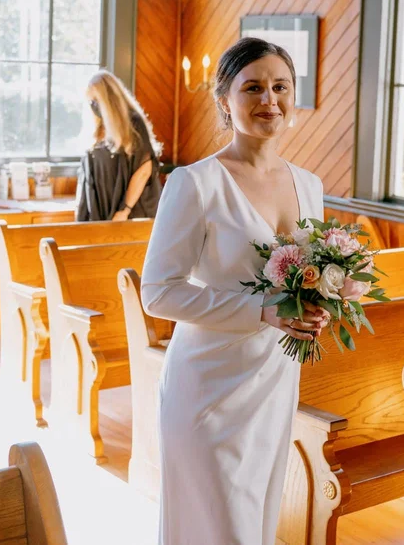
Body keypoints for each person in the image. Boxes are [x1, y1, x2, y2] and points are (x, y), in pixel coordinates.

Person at [141, 38, 331, 544]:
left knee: (257, 521)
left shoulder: (309, 184)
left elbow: (303, 277)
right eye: (253, 87)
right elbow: (158, 293)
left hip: (273, 379)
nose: (269, 99)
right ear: (225, 100)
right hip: (208, 386)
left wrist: (320, 305)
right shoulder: (195, 183)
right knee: (220, 527)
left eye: (280, 87)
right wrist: (261, 310)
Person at [75, 70, 163, 222]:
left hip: (130, 211)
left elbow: (144, 169)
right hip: (101, 211)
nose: (93, 106)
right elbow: (86, 174)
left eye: (96, 101)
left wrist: (125, 209)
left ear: (109, 99)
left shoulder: (133, 124)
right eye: (91, 102)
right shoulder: (96, 129)